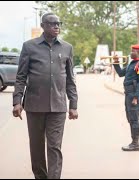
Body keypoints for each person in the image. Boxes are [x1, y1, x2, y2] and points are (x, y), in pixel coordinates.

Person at [12, 12, 78, 179]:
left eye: (59, 23)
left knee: (54, 146)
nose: (57, 26)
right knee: (37, 147)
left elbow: (70, 78)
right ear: (43, 26)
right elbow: (20, 76)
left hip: (58, 106)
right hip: (34, 106)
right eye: (52, 23)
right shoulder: (29, 46)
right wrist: (17, 101)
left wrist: (74, 105)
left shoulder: (67, 47)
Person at [113, 44, 139, 151]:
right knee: (130, 119)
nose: (130, 52)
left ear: (138, 52)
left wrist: (136, 97)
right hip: (128, 94)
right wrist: (116, 62)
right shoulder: (131, 64)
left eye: (132, 51)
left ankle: (135, 144)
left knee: (134, 119)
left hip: (133, 95)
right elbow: (120, 73)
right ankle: (133, 142)